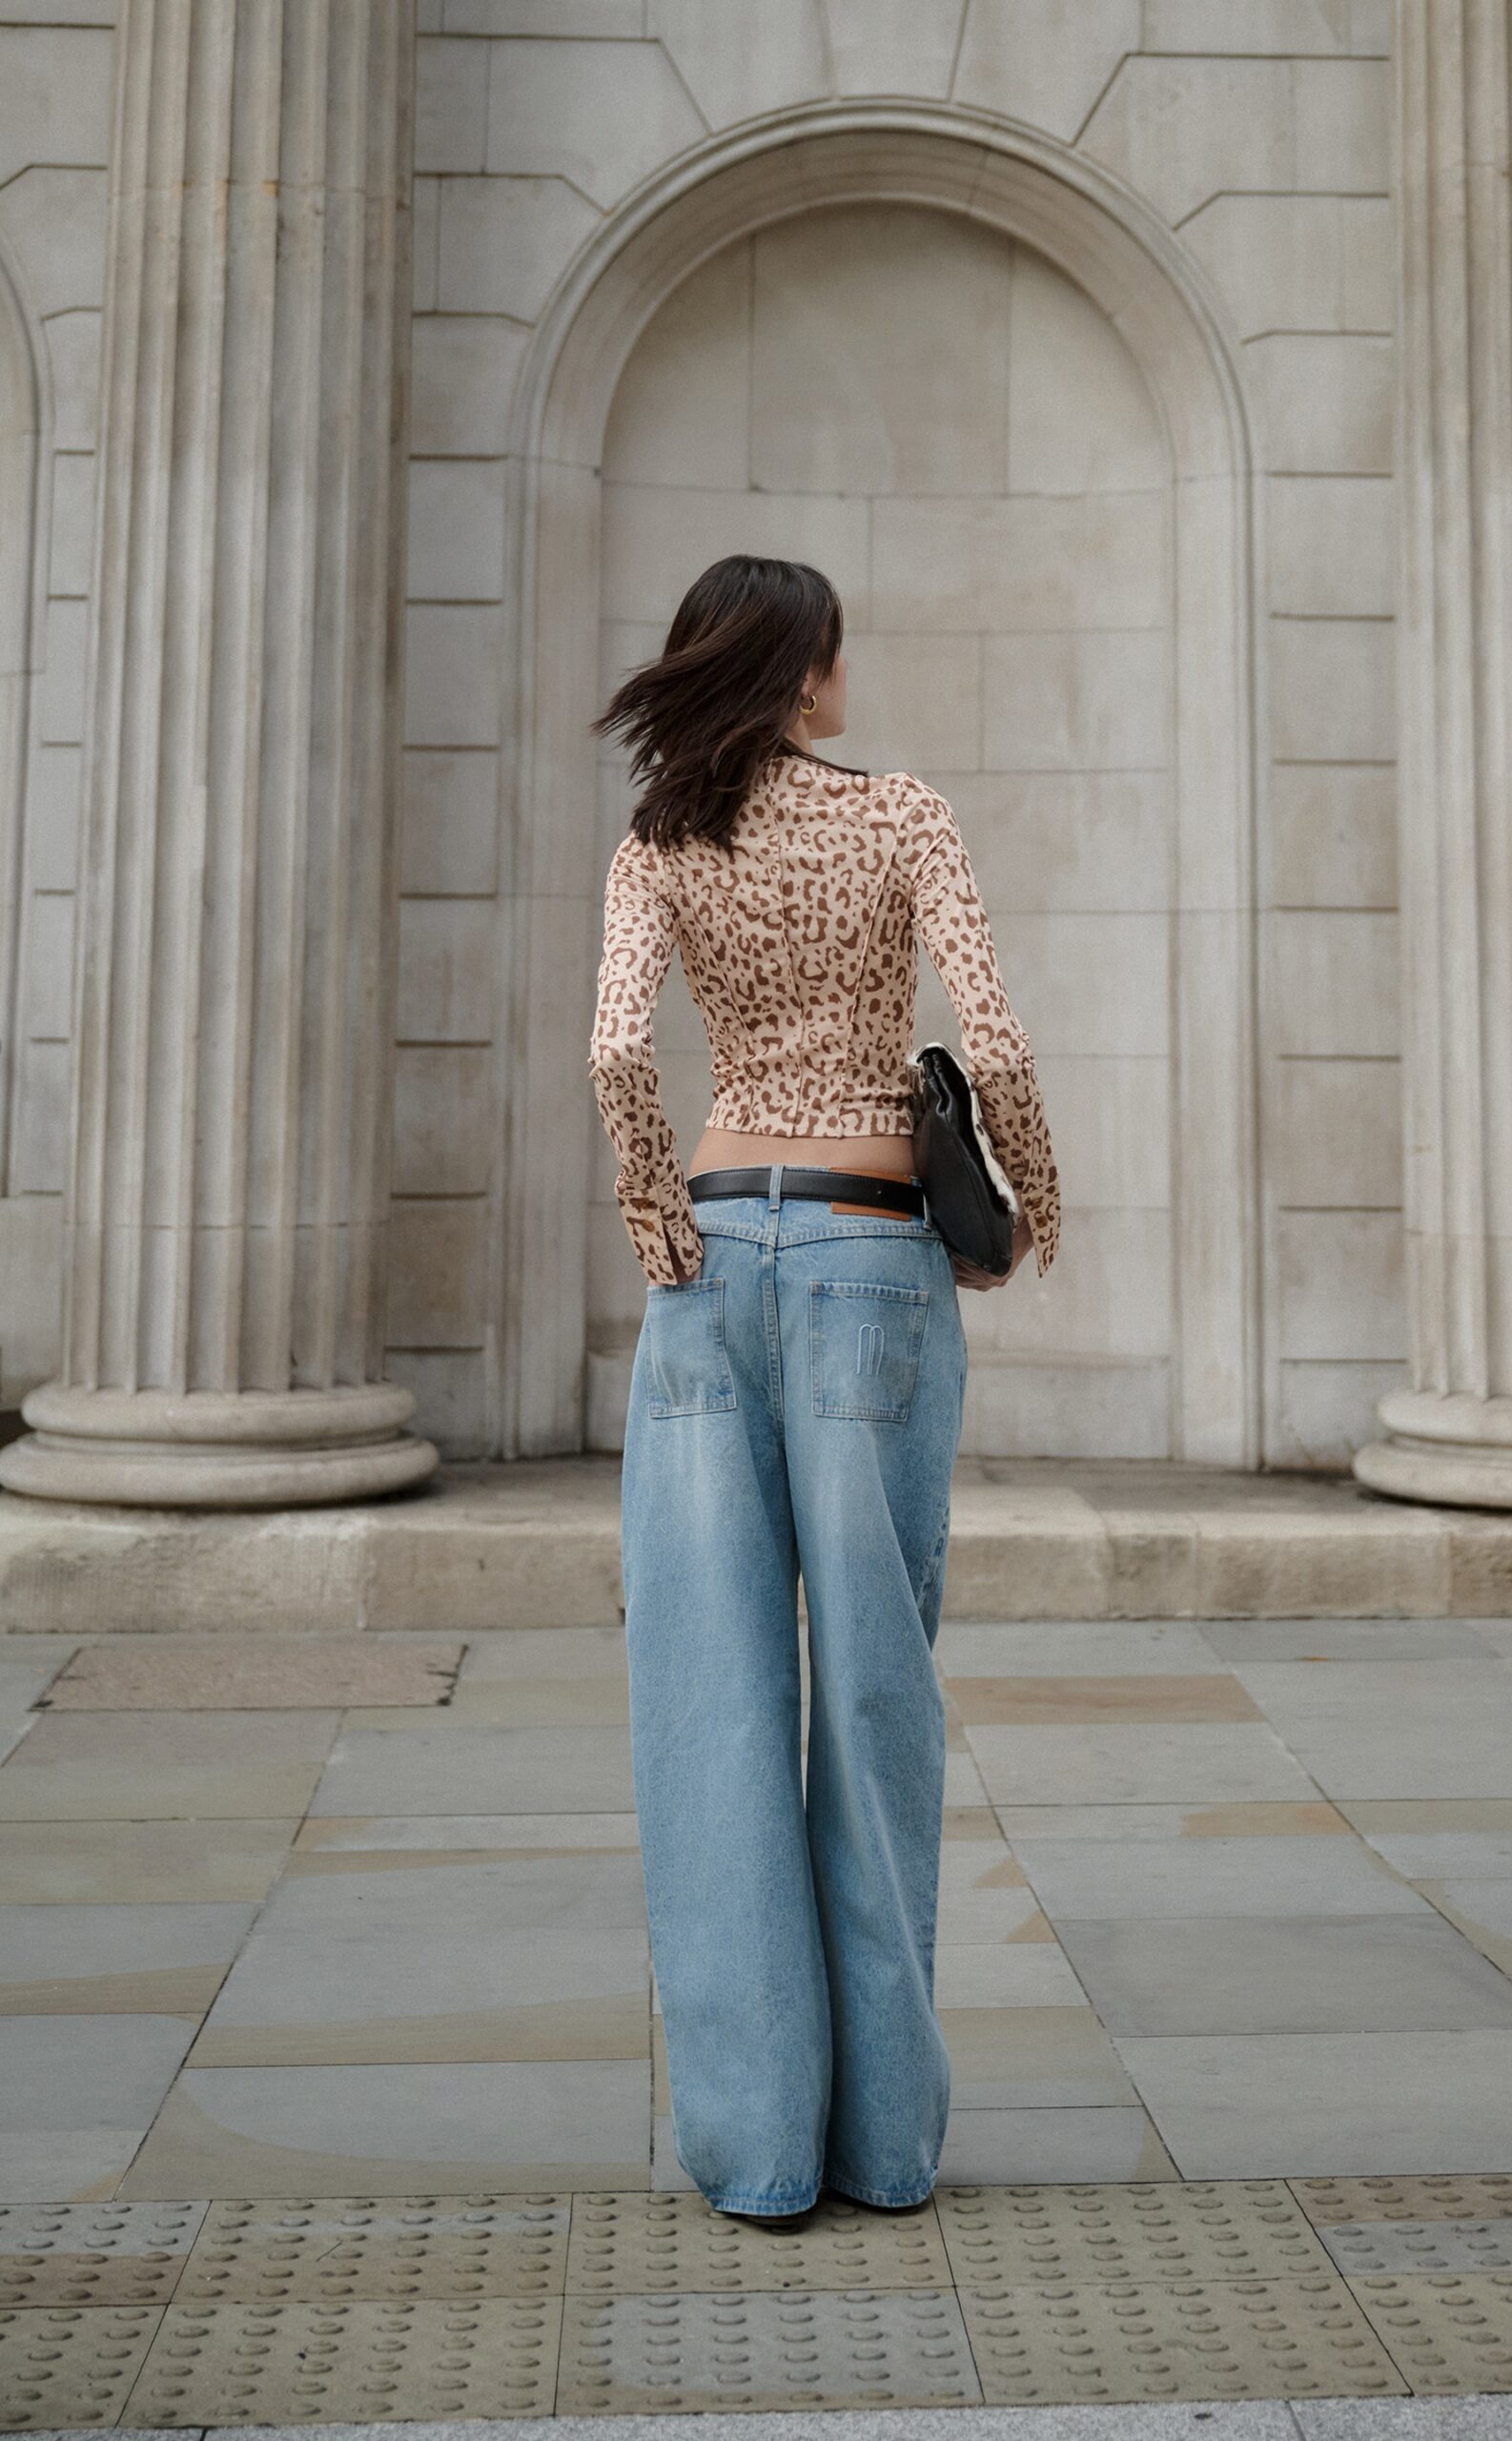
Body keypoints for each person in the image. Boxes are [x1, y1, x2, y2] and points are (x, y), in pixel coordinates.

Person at [587, 553, 1061, 2228]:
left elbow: (615, 1049)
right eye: (837, 652)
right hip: (871, 1259)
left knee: (706, 1699)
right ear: (804, 673)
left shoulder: (661, 837)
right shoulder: (903, 815)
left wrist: (656, 1216)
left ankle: (764, 2153)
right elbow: (995, 1041)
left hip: (713, 1263)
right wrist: (1033, 1205)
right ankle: (885, 2149)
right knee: (874, 1693)